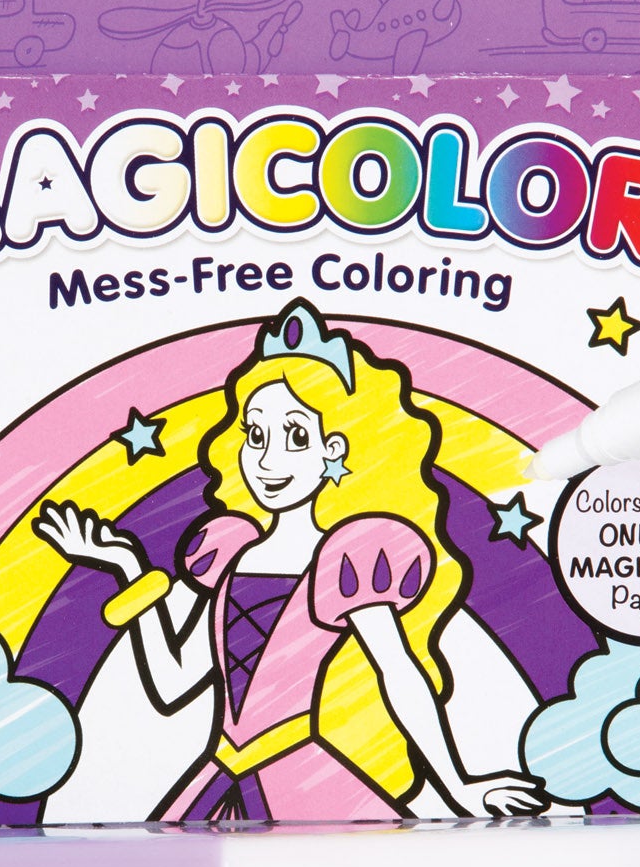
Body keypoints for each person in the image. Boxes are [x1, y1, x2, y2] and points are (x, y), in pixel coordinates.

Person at [36, 301, 548, 820]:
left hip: (296, 775)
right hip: (219, 773)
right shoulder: (227, 548)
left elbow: (398, 672)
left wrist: (458, 784)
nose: (268, 459)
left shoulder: (348, 556)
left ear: (335, 451)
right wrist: (127, 566)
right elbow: (174, 681)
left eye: (296, 436)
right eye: (256, 435)